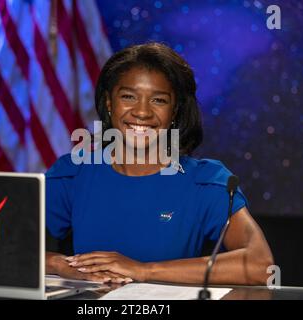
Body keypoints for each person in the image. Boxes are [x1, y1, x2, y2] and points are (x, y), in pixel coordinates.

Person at [45, 42, 273, 285]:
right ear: (109, 104)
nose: (142, 112)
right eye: (128, 96)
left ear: (175, 111)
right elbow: (2, 242)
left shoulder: (206, 182)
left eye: (159, 100)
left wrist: (143, 270)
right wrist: (60, 265)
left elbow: (261, 266)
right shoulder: (73, 173)